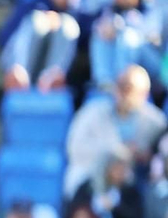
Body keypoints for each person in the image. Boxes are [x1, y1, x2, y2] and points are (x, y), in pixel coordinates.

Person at [64, 65, 166, 195]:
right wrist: (116, 152)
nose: (122, 92)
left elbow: (159, 158)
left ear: (144, 94)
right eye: (120, 85)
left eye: (128, 87)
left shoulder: (156, 122)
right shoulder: (92, 112)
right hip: (95, 177)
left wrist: (144, 156)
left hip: (133, 187)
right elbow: (74, 148)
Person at [0, 0, 83, 92]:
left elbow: (86, 39)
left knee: (68, 24)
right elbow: (3, 38)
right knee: (37, 20)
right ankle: (18, 75)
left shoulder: (78, 12)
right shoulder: (33, 3)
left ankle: (52, 78)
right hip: (17, 58)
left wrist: (59, 21)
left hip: (52, 67)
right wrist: (45, 19)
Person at [89, 0, 162, 88]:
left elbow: (153, 39)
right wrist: (109, 29)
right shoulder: (112, 8)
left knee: (127, 35)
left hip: (151, 63)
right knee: (100, 34)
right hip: (119, 57)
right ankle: (104, 82)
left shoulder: (150, 7)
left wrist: (122, 27)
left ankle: (123, 84)